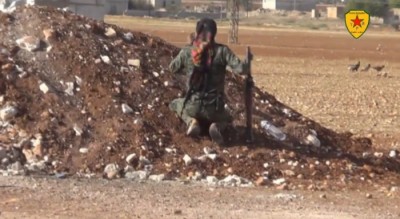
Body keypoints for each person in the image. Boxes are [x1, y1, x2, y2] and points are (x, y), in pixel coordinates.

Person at [168, 18, 249, 145]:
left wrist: (188, 70)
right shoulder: (223, 51)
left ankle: (191, 122)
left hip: (192, 106)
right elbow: (241, 69)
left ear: (197, 32)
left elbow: (172, 68)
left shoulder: (188, 51)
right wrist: (247, 62)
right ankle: (216, 126)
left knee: (175, 104)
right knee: (228, 117)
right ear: (214, 32)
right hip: (214, 109)